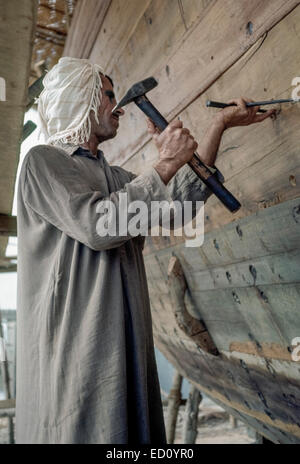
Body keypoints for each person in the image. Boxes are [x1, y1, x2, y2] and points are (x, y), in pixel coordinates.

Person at [15, 57, 274, 444]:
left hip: (125, 343)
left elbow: (179, 209)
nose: (118, 107)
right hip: (79, 351)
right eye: (108, 97)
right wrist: (166, 161)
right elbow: (98, 226)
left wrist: (218, 126)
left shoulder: (115, 177)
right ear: (78, 99)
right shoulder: (42, 163)